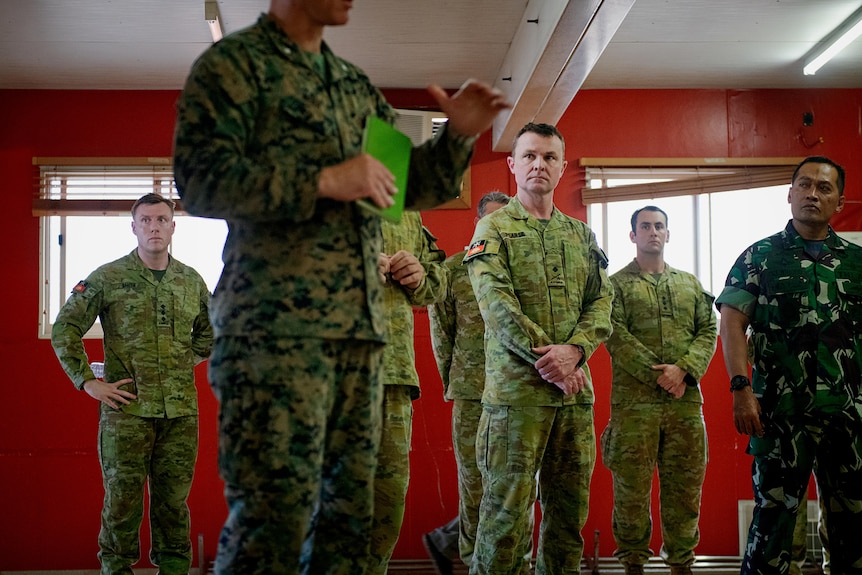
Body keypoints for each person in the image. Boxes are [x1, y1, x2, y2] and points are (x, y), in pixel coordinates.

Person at [172, 1, 510, 573]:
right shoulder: (233, 66)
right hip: (274, 335)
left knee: (350, 526)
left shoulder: (351, 86)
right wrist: (324, 181)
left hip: (361, 340)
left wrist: (457, 135)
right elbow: (199, 179)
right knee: (270, 524)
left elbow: (404, 183)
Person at [464, 122, 614, 575]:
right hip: (515, 402)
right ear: (512, 165)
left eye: (549, 157)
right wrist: (555, 361)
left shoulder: (581, 235)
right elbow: (498, 308)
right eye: (529, 156)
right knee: (504, 521)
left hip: (572, 402)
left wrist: (577, 351)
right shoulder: (493, 227)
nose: (539, 165)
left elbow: (602, 301)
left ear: (562, 166)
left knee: (568, 519)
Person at [51, 193, 213, 575]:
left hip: (179, 414)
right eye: (146, 220)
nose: (154, 227)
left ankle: (173, 570)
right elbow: (65, 327)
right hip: (126, 412)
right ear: (134, 226)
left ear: (173, 227)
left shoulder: (190, 281)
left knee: (173, 503)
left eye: (161, 220)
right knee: (122, 502)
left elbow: (209, 334)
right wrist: (88, 382)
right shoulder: (108, 277)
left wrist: (176, 364)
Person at [716, 156, 862, 575]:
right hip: (780, 415)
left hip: (848, 416)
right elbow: (732, 323)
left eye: (824, 187)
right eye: (804, 185)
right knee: (773, 522)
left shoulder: (856, 264)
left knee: (854, 524)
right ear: (790, 193)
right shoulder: (759, 256)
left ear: (840, 200)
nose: (812, 194)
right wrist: (741, 389)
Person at [601, 206, 717, 575]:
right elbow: (614, 334)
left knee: (684, 492)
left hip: (685, 406)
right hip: (634, 409)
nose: (653, 232)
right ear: (633, 235)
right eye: (645, 226)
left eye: (660, 226)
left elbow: (708, 330)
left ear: (668, 234)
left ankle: (681, 564)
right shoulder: (614, 287)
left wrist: (684, 370)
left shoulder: (690, 284)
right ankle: (633, 563)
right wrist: (661, 376)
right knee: (631, 494)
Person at [423, 191, 513, 575]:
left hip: (516, 393)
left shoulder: (521, 271)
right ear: (478, 223)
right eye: (490, 220)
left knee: (513, 485)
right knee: (474, 482)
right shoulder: (454, 270)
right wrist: (453, 381)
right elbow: (442, 335)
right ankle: (472, 561)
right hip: (471, 391)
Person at [368, 212, 448, 573]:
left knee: (388, 499)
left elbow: (437, 281)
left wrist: (419, 275)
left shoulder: (407, 213)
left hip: (394, 373)